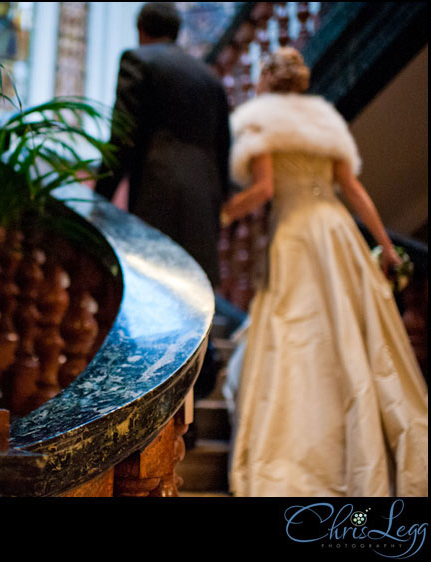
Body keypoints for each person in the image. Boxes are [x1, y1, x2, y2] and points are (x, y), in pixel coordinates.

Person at [223, 47, 428, 496]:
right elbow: (353, 190)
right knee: (346, 338)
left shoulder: (263, 120)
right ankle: (360, 446)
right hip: (338, 231)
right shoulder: (324, 121)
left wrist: (223, 214)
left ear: (267, 81)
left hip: (297, 234)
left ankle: (307, 453)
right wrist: (386, 246)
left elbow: (263, 189)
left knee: (298, 337)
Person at [94, 2, 232, 289]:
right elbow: (223, 148)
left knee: (153, 291)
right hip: (203, 200)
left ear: (141, 30)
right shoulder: (210, 77)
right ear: (178, 32)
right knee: (196, 295)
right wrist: (219, 203)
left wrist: (99, 198)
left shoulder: (138, 59)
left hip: (157, 192)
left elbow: (123, 135)